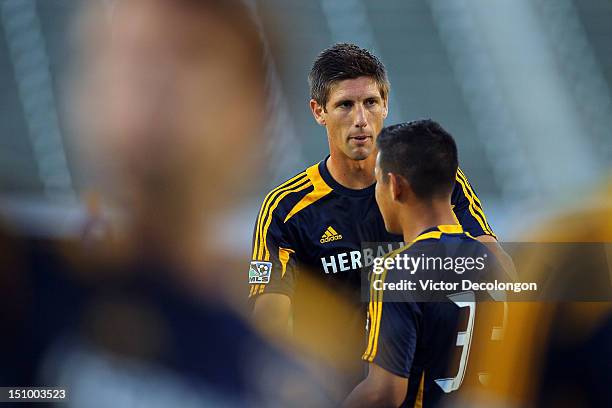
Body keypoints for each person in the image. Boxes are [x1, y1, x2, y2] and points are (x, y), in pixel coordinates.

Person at [0, 0, 332, 405]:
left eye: (186, 52)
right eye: (121, 53)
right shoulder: (24, 281)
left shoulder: (309, 346)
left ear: (257, 108)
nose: (145, 78)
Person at [248, 43, 509, 390]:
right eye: (344, 104)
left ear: (385, 104)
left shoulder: (431, 176)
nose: (360, 119)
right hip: (345, 394)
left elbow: (496, 267)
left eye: (370, 102)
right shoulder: (285, 208)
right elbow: (271, 324)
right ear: (318, 111)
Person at [343, 120, 505, 407]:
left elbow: (384, 392)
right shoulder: (499, 263)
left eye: (378, 180)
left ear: (395, 186)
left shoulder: (396, 270)